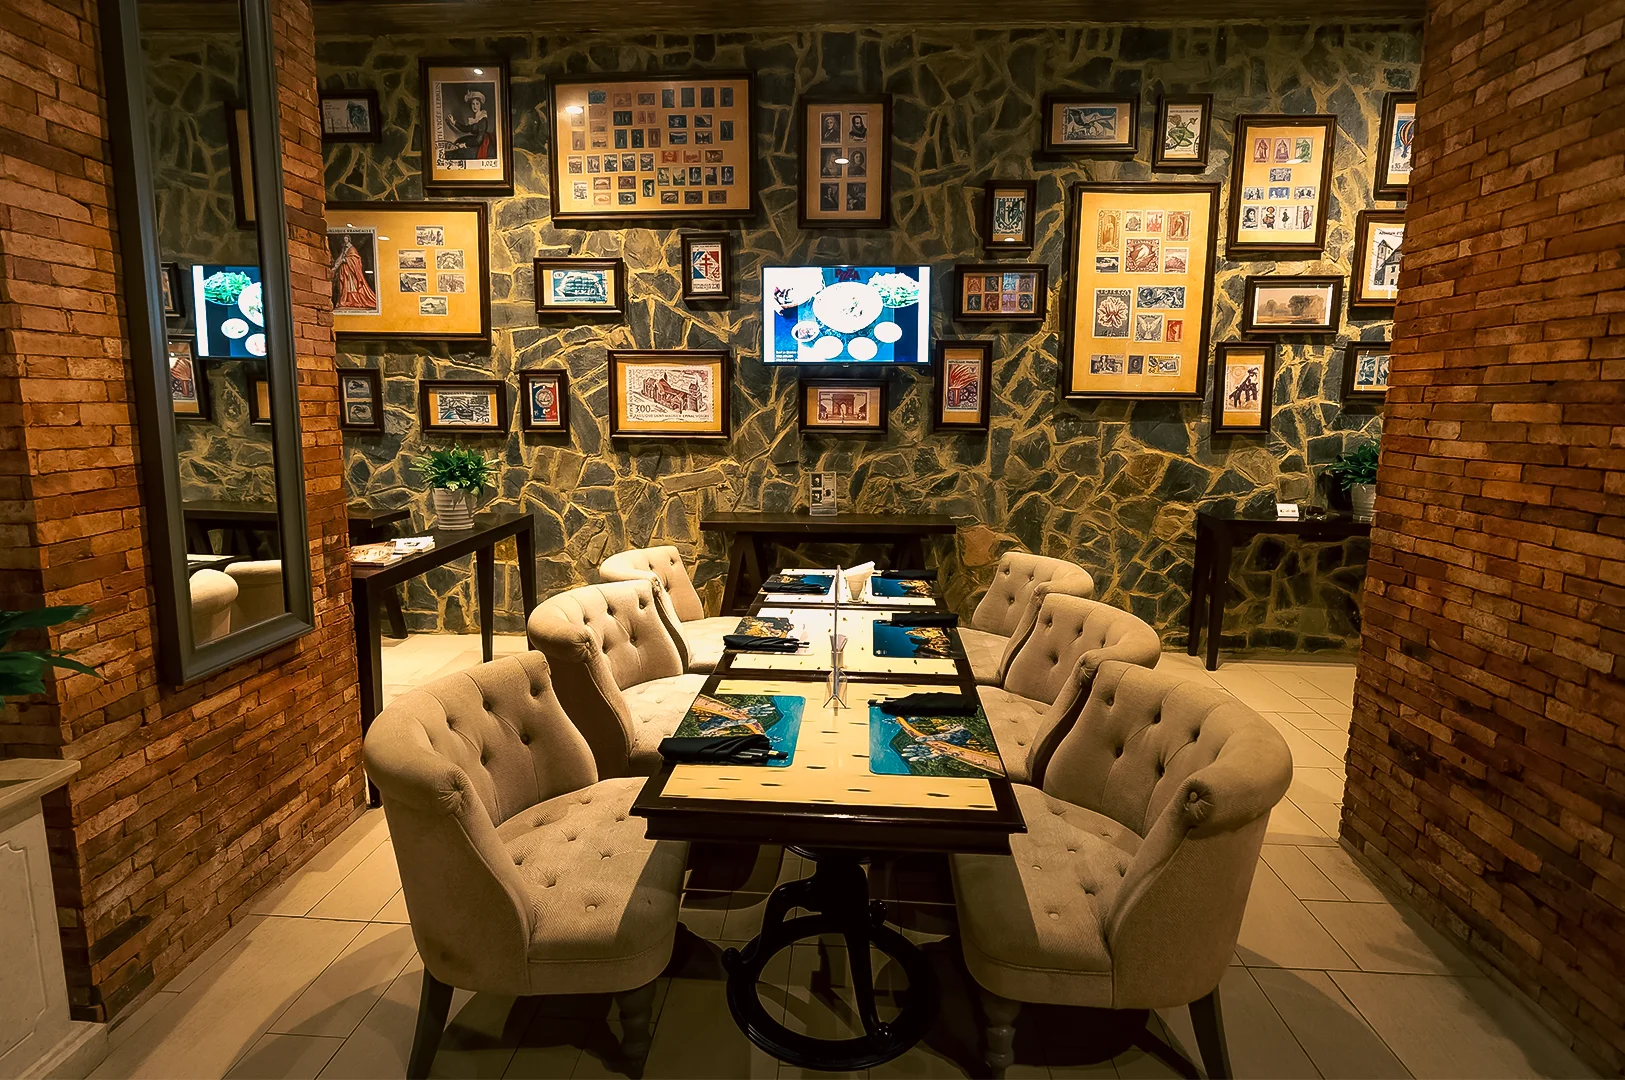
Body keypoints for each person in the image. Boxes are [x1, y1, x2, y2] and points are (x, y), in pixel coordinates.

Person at [331, 235, 378, 312]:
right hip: (345, 270)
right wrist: (335, 267)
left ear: (349, 240)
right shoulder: (344, 249)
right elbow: (340, 258)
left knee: (352, 285)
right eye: (344, 239)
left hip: (351, 271)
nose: (345, 240)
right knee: (345, 285)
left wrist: (346, 260)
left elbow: (355, 259)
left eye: (346, 239)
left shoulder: (352, 249)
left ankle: (353, 299)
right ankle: (346, 299)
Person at [444, 89, 494, 160]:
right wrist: (454, 122)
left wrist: (464, 145)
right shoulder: (474, 119)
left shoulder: (483, 119)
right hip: (475, 140)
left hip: (481, 143)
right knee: (458, 141)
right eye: (473, 104)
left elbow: (478, 140)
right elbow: (466, 129)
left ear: (480, 105)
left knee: (460, 152)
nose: (475, 106)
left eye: (477, 104)